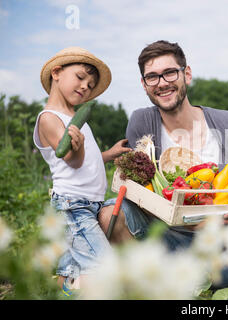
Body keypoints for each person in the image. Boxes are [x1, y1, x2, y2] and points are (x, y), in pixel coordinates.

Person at [98, 40, 228, 287]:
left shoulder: (226, 122)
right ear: (144, 85)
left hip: (220, 249)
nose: (162, 82)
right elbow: (140, 190)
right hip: (163, 246)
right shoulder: (142, 121)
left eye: (169, 73)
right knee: (109, 213)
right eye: (152, 77)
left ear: (186, 74)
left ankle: (196, 283)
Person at [33, 47, 132, 295]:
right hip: (73, 205)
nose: (85, 86)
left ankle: (64, 286)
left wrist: (109, 154)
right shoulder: (49, 118)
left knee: (76, 262)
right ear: (57, 73)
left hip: (90, 203)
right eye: (80, 77)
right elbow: (73, 161)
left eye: (90, 84)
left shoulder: (75, 117)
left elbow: (88, 160)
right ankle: (73, 288)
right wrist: (77, 148)